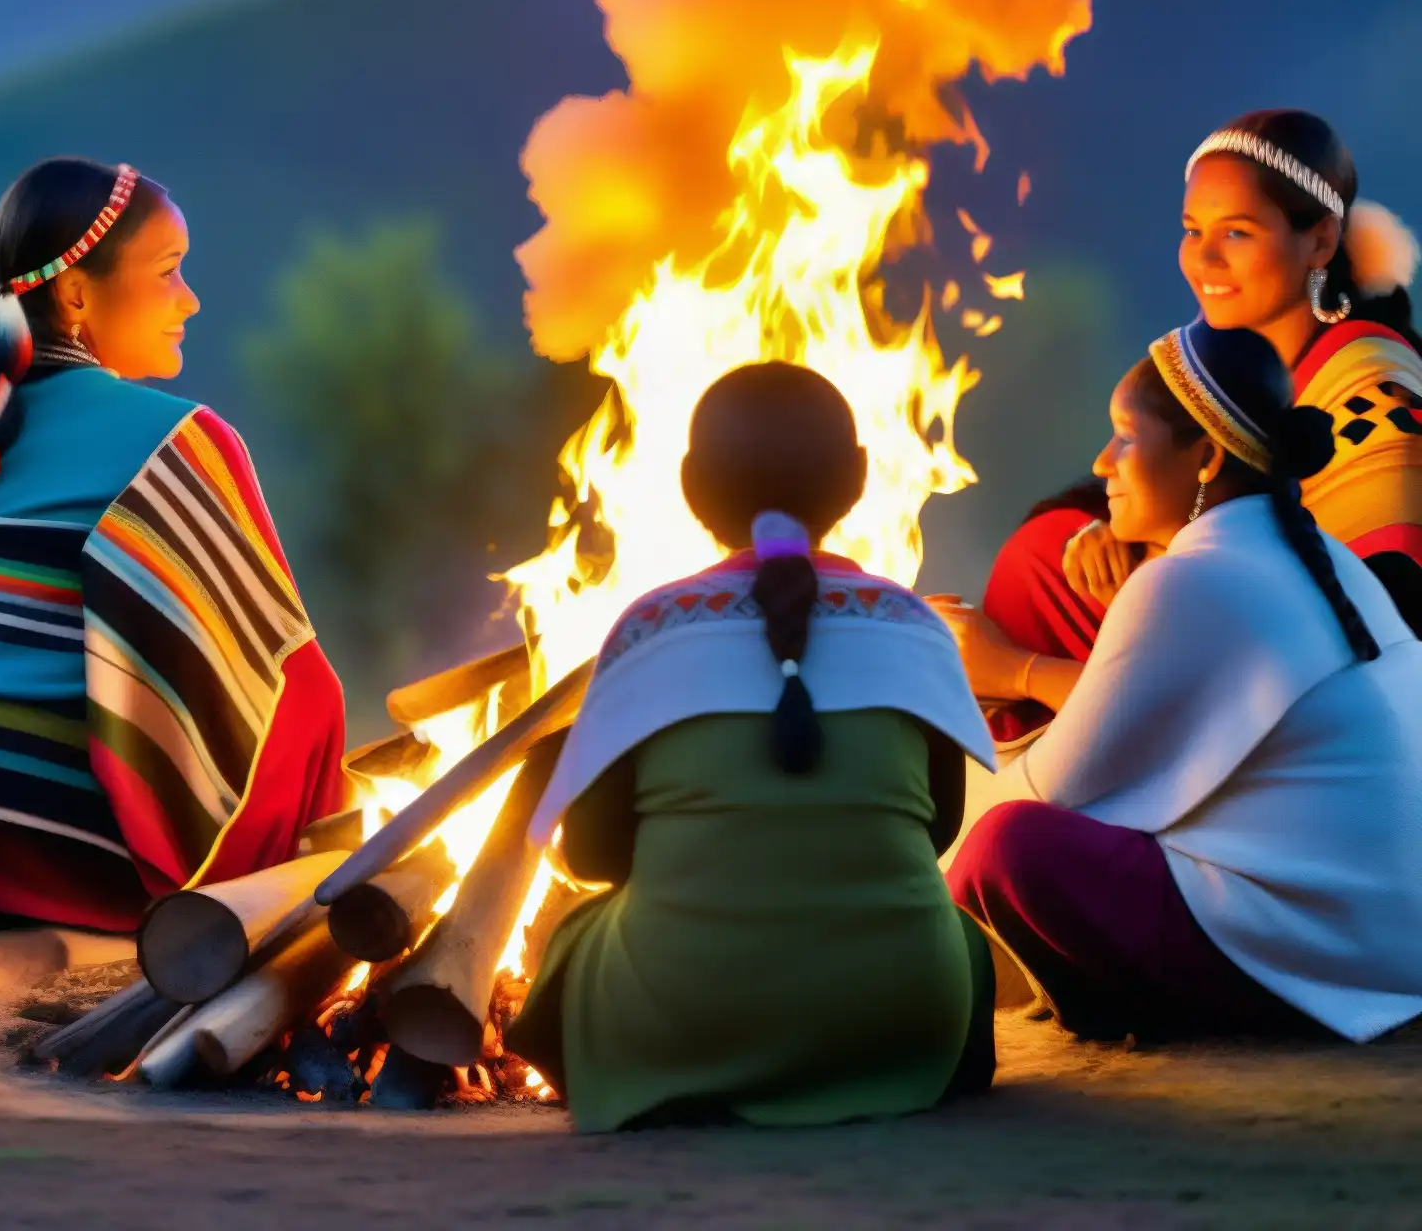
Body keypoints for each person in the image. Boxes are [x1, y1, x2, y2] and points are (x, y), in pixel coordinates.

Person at [0, 157, 346, 929]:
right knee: (303, 701)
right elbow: (297, 685)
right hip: (62, 850)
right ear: (77, 292)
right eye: (169, 271)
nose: (191, 298)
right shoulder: (181, 438)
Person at [504, 363, 999, 1132]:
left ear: (690, 485)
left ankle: (667, 1073)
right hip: (892, 1014)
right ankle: (892, 1068)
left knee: (572, 940)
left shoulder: (647, 630)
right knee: (958, 940)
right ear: (861, 478)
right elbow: (935, 832)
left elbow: (595, 856)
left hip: (682, 1011)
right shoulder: (915, 629)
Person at [940, 320, 1422, 1042]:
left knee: (1002, 847)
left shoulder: (1195, 579)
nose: (1102, 464)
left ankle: (1130, 1012)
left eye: (1125, 438)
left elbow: (1049, 793)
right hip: (1388, 949)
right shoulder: (1313, 556)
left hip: (1314, 960)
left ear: (1204, 457)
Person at [981, 109, 1422, 741]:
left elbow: (1363, 629)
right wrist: (1120, 535)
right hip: (1223, 620)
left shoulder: (1373, 396)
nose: (1203, 260)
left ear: (1320, 242)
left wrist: (1154, 577)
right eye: (1192, 230)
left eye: (1236, 234)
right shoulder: (1226, 365)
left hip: (1318, 702)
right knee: (1050, 551)